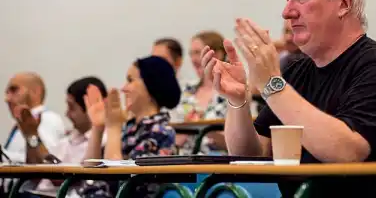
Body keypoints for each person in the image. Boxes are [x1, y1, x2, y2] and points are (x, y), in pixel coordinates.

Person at [201, 0, 376, 197]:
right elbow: (253, 153)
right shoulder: (298, 71)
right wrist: (237, 100)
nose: (287, 12)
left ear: (344, 4)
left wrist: (271, 84)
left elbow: (346, 154)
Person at [79, 56, 181, 198]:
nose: (123, 88)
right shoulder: (130, 128)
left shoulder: (162, 133)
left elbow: (119, 186)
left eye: (130, 80)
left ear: (151, 84)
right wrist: (98, 127)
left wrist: (113, 128)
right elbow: (89, 173)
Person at [13, 77, 107, 197]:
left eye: (72, 107)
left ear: (89, 107)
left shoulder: (103, 141)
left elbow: (58, 178)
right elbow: (38, 172)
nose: (67, 113)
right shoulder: (70, 138)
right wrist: (31, 136)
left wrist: (34, 136)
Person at [171, 31, 231, 154]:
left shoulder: (232, 91)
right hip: (182, 164)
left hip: (219, 165)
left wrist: (208, 132)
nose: (193, 59)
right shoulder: (186, 90)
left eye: (198, 53)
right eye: (191, 54)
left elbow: (242, 141)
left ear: (218, 54)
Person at [3, 72, 65, 163]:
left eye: (14, 90)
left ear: (35, 92)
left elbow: (48, 160)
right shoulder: (22, 124)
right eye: (7, 93)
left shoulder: (48, 119)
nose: (7, 99)